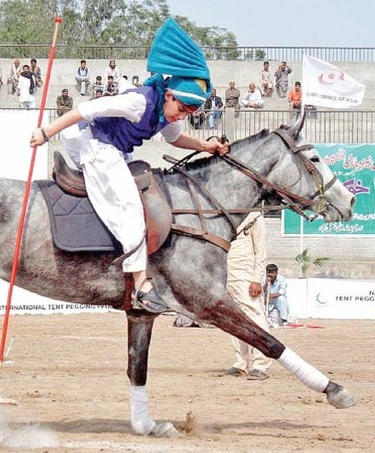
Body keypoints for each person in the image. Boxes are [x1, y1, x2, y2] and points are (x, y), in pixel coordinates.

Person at [29, 18, 228, 313]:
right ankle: (142, 284)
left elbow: (175, 139)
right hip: (96, 145)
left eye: (189, 112)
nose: (182, 115)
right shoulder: (139, 102)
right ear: (170, 95)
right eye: (182, 109)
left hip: (116, 151)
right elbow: (84, 110)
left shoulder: (166, 112)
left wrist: (206, 146)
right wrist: (46, 133)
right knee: (131, 205)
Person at [225, 213, 272, 381]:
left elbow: (260, 251)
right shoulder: (223, 211)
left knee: (255, 316)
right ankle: (241, 363)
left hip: (245, 273)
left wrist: (256, 279)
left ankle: (261, 364)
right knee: (232, 319)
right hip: (225, 272)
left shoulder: (254, 215)